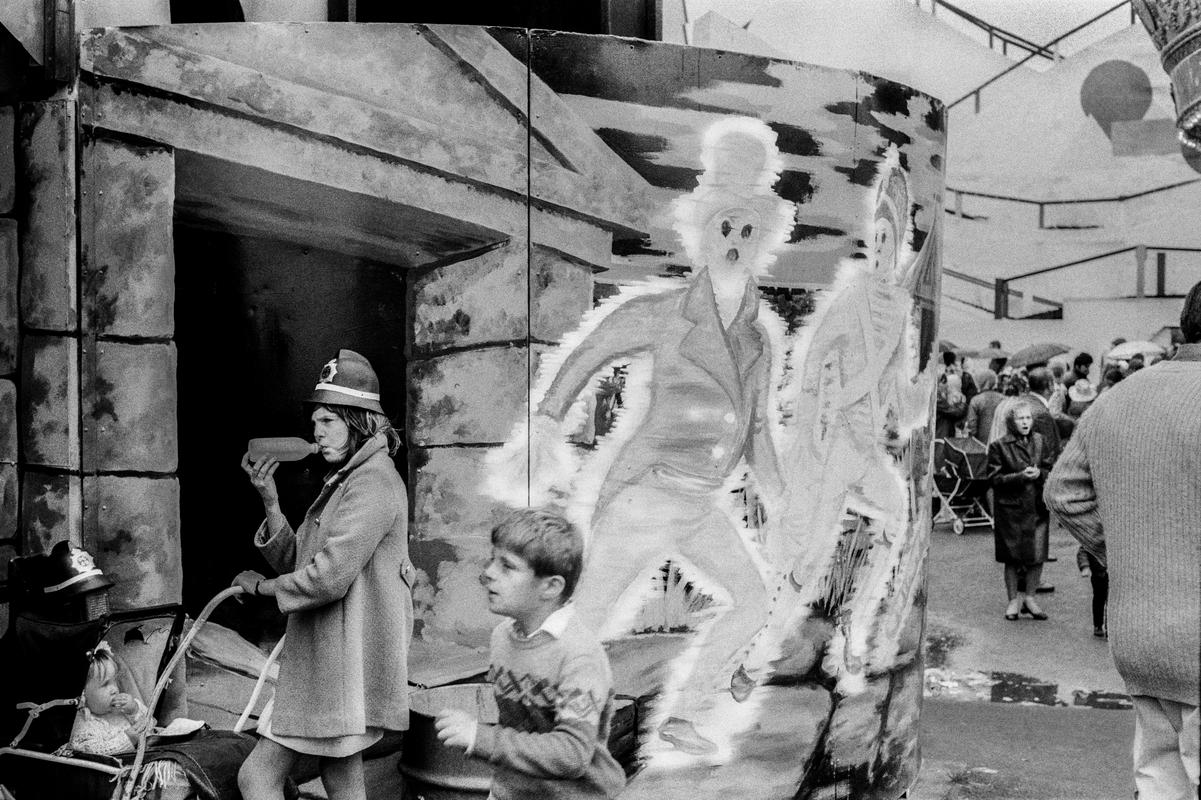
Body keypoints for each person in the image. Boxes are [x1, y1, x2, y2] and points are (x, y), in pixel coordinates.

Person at [1045, 283, 1201, 800]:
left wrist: (1132, 554)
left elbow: (1062, 492)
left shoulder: (1120, 396)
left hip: (1140, 638)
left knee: (1160, 781)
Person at [235, 349, 413, 800]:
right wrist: (271, 502)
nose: (316, 432)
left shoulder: (372, 482)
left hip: (336, 665)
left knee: (256, 777)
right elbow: (303, 563)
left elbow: (327, 578)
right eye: (315, 422)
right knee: (341, 778)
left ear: (359, 421)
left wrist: (260, 588)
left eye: (328, 421)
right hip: (334, 661)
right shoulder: (347, 478)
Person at [435, 508, 625, 800]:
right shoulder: (502, 637)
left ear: (550, 586)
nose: (488, 573)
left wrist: (480, 738)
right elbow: (516, 728)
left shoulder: (579, 655)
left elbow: (573, 754)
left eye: (507, 566)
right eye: (492, 560)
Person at [986, 402, 1053, 621]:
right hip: (1011, 509)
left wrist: (1040, 473)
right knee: (1012, 557)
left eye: (1028, 418)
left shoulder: (1040, 441)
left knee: (1037, 555)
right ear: (1011, 422)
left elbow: (1050, 468)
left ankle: (1031, 598)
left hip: (1036, 506)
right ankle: (1013, 600)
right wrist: (1021, 476)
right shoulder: (999, 446)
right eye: (1020, 419)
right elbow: (994, 480)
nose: (1025, 423)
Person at [70, 641, 154, 755]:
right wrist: (128, 740)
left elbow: (151, 727)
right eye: (105, 684)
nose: (114, 689)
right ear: (83, 694)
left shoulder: (123, 709)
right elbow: (92, 752)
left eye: (114, 681)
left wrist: (134, 710)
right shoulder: (83, 724)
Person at [1076, 545, 1108, 638]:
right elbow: (1084, 550)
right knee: (1099, 599)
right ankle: (1098, 624)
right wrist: (1085, 566)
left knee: (1113, 602)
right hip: (1099, 574)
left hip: (1113, 574)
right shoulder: (1094, 536)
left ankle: (1110, 626)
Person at [965, 368, 1003, 443]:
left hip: (982, 444)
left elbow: (972, 426)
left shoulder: (976, 400)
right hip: (1001, 443)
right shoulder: (1004, 399)